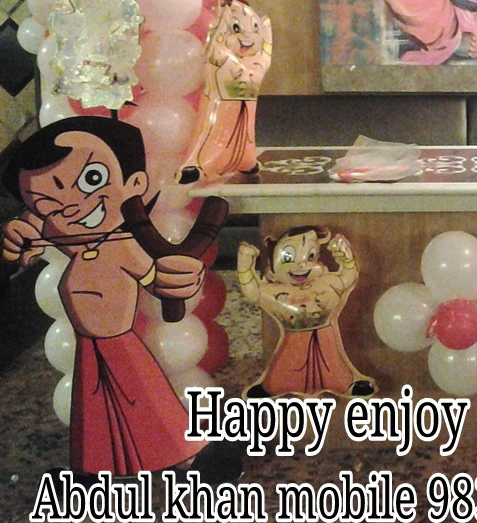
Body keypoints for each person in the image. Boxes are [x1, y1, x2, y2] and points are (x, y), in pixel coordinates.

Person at [0, 116, 239, 482]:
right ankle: (93, 472)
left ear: (135, 185)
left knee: (149, 400)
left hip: (119, 343)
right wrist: (20, 234)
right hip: (89, 344)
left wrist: (176, 280)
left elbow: (156, 279)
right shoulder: (70, 238)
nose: (72, 206)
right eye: (50, 203)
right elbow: (34, 231)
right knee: (95, 411)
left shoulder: (123, 245)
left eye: (91, 180)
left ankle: (191, 460)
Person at [237, 227, 376, 399]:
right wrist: (245, 267)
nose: (301, 265)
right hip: (294, 338)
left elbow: (347, 278)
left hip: (325, 336)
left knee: (332, 362)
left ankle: (345, 384)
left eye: (310, 256)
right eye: (288, 258)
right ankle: (272, 387)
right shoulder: (276, 293)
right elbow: (252, 292)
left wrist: (346, 260)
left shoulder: (326, 284)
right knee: (287, 364)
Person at [178, 0, 272, 184]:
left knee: (246, 133)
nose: (247, 37)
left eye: (254, 29)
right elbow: (215, 51)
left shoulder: (255, 61)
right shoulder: (221, 56)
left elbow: (266, 49)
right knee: (215, 130)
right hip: (221, 100)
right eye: (236, 29)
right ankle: (201, 165)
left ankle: (247, 161)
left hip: (244, 102)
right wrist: (222, 22)